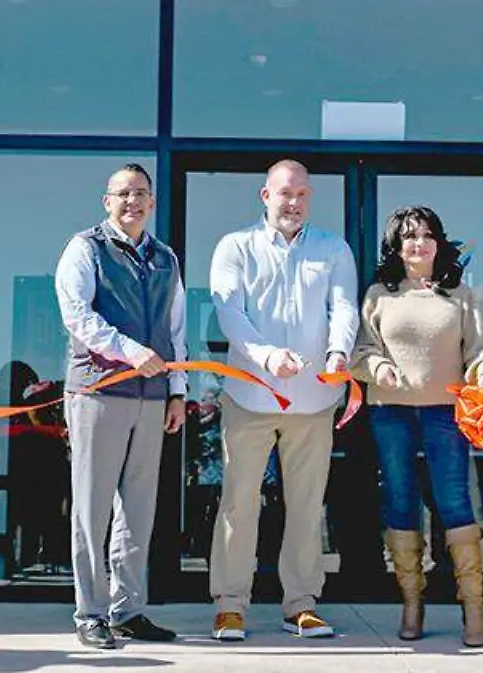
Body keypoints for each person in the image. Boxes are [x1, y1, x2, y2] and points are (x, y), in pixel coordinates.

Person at [208, 158, 359, 641]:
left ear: (309, 197)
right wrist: (267, 356)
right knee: (239, 503)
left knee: (306, 504)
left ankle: (301, 604)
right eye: (284, 193)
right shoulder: (235, 247)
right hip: (250, 395)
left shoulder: (333, 249)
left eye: (300, 195)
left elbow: (345, 308)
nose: (292, 202)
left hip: (314, 400)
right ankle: (230, 606)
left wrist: (338, 353)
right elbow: (230, 313)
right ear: (265, 195)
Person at [351, 205, 483, 646]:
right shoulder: (380, 293)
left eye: (426, 235)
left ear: (439, 242)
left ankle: (473, 608)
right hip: (391, 412)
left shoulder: (459, 295)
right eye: (408, 237)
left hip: (445, 411)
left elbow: (480, 349)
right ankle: (412, 605)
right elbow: (362, 350)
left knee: (454, 500)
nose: (417, 244)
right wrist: (379, 367)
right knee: (400, 499)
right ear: (396, 247)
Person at [54, 162, 185, 648]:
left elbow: (176, 332)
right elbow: (78, 317)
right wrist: (130, 351)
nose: (133, 201)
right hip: (98, 392)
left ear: (152, 203)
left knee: (138, 508)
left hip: (152, 399)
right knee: (91, 508)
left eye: (141, 194)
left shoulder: (166, 258)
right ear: (107, 201)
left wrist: (177, 392)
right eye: (123, 193)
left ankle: (128, 610)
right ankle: (89, 612)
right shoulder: (84, 248)